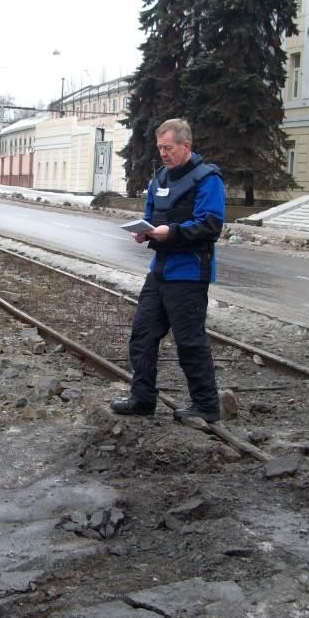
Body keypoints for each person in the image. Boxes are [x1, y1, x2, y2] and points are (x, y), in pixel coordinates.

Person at [110, 119, 225, 423]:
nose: (163, 153)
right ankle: (142, 398)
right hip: (159, 271)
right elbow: (151, 216)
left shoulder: (207, 179)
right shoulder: (159, 178)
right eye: (160, 148)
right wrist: (145, 232)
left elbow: (210, 225)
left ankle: (206, 406)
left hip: (189, 274)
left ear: (186, 146)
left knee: (189, 342)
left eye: (168, 148)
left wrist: (170, 232)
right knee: (142, 335)